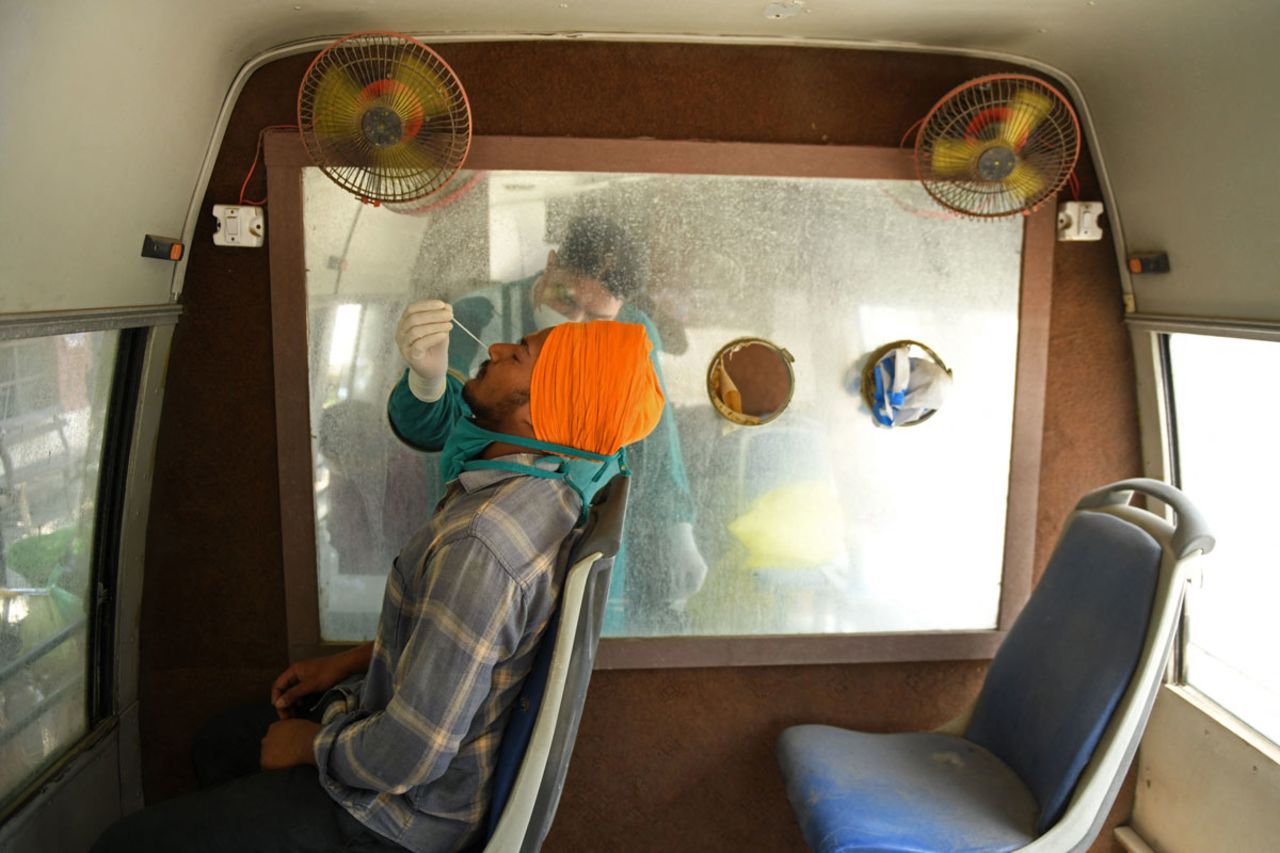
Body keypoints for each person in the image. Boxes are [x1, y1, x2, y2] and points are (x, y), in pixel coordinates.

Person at [90, 321, 666, 853]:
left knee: (127, 846)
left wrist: (308, 747)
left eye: (518, 357)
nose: (493, 350)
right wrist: (353, 662)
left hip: (402, 814)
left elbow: (409, 753)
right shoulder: (555, 491)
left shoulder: (485, 540)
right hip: (416, 759)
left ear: (545, 415)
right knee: (220, 740)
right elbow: (479, 644)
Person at [392, 214, 706, 633]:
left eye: (596, 318)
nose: (574, 323)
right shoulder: (482, 314)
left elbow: (657, 445)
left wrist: (677, 526)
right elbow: (432, 430)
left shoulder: (632, 334)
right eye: (566, 299)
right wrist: (427, 382)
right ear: (552, 262)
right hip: (488, 524)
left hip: (578, 530)